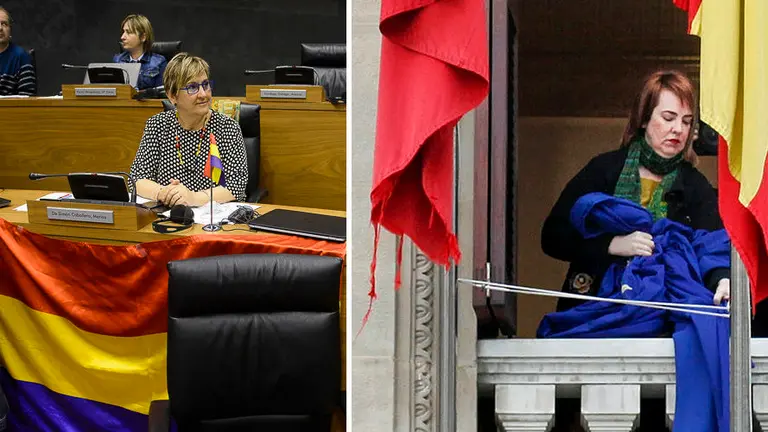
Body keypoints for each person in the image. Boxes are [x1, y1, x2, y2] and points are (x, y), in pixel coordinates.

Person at [541, 70, 730, 314]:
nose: (678, 130)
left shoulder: (696, 185)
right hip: (592, 311)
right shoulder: (604, 169)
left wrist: (722, 279)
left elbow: (711, 243)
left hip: (663, 316)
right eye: (669, 117)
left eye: (686, 121)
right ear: (644, 119)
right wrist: (611, 244)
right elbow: (553, 238)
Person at [130, 53, 248, 205]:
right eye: (192, 87)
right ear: (172, 96)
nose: (203, 94)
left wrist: (193, 198)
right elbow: (136, 179)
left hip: (213, 221)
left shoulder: (227, 128)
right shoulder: (157, 125)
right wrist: (164, 193)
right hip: (169, 216)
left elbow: (236, 186)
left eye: (205, 84)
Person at [112, 14, 167, 90]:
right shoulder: (117, 60)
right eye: (123, 32)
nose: (122, 37)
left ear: (143, 37)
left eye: (128, 32)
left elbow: (161, 94)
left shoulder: (159, 62)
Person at [0, 7, 35, 96]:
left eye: (4, 24)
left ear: (10, 30)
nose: (0, 28)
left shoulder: (21, 57)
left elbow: (27, 98)